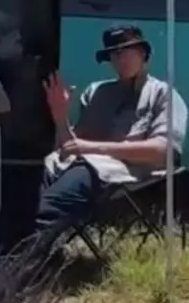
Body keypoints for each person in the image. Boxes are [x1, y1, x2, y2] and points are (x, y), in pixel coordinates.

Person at [33, 25, 188, 244]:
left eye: (127, 51)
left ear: (143, 54)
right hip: (84, 166)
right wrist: (60, 115)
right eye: (115, 54)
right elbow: (71, 147)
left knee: (49, 207)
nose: (121, 58)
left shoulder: (162, 93)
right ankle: (35, 254)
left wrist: (93, 148)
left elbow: (163, 151)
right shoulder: (98, 92)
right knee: (34, 191)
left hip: (123, 170)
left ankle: (20, 266)